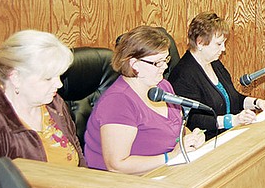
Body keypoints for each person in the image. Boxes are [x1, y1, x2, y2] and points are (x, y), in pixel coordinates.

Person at [0, 30, 84, 178]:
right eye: (48, 78)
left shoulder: (55, 105)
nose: (59, 84)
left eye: (59, 76)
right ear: (15, 77)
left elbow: (78, 159)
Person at [83, 26, 205, 174]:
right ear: (134, 64)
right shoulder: (118, 102)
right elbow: (117, 166)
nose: (165, 67)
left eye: (166, 59)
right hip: (127, 183)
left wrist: (192, 138)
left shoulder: (163, 86)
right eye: (157, 63)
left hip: (167, 171)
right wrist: (171, 157)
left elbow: (177, 128)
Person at [169, 12, 265, 140]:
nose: (224, 49)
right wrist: (231, 120)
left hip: (230, 134)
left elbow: (233, 98)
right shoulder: (182, 74)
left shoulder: (215, 63)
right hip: (208, 141)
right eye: (219, 44)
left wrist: (258, 103)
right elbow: (193, 120)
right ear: (200, 43)